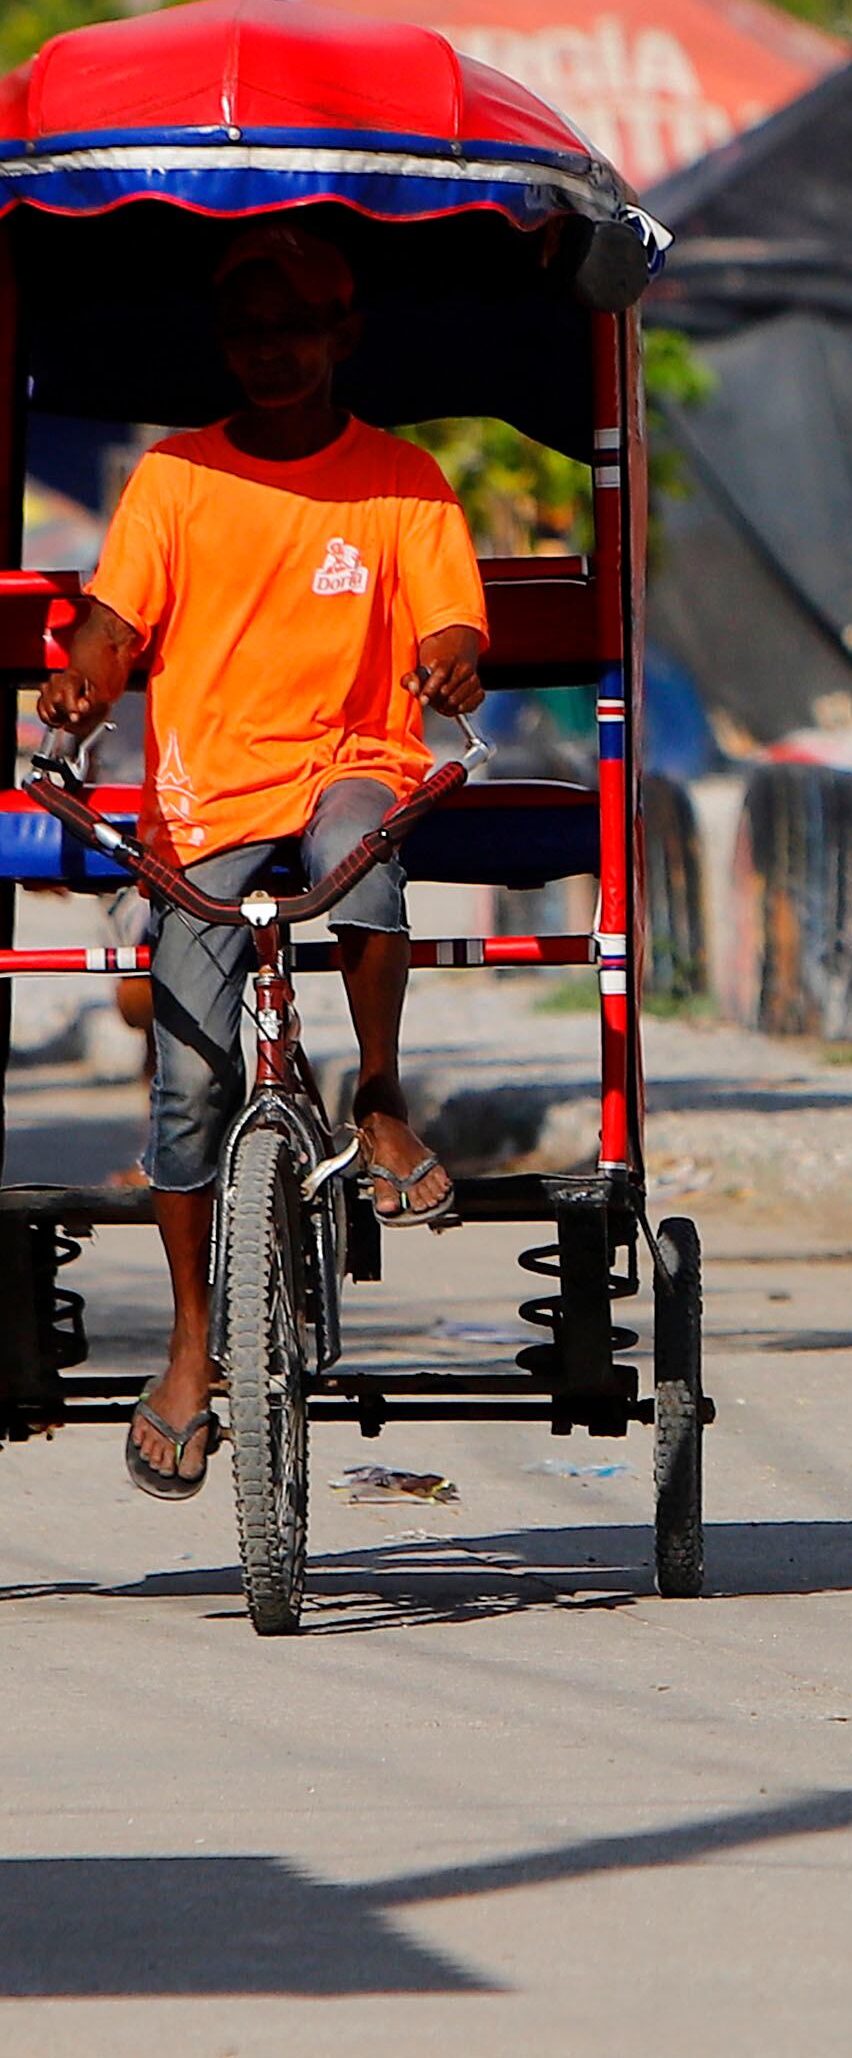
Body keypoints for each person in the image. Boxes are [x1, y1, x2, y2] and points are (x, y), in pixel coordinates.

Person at [37, 225, 489, 1501]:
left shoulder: (403, 479)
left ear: (344, 334)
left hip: (351, 759)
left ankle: (381, 1099)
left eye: (294, 326)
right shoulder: (175, 476)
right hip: (210, 794)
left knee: (364, 852)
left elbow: (453, 620)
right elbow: (114, 626)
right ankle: (193, 1344)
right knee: (187, 1086)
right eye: (247, 330)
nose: (270, 350)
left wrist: (452, 659)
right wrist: (80, 685)